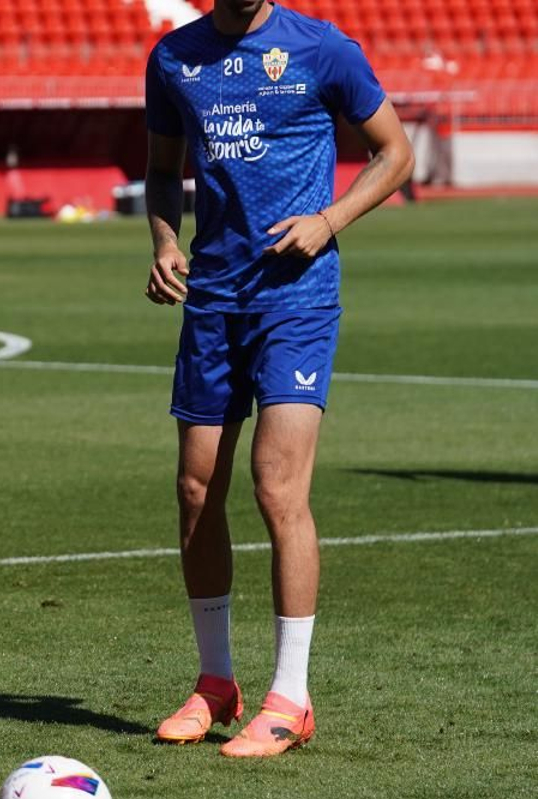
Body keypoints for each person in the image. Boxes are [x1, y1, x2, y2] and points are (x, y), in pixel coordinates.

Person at [144, 0, 413, 756]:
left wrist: (328, 221)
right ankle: (215, 684)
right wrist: (164, 241)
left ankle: (291, 697)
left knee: (276, 485)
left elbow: (395, 153)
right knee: (196, 490)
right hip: (214, 299)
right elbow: (163, 172)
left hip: (297, 300)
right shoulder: (174, 59)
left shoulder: (322, 48)